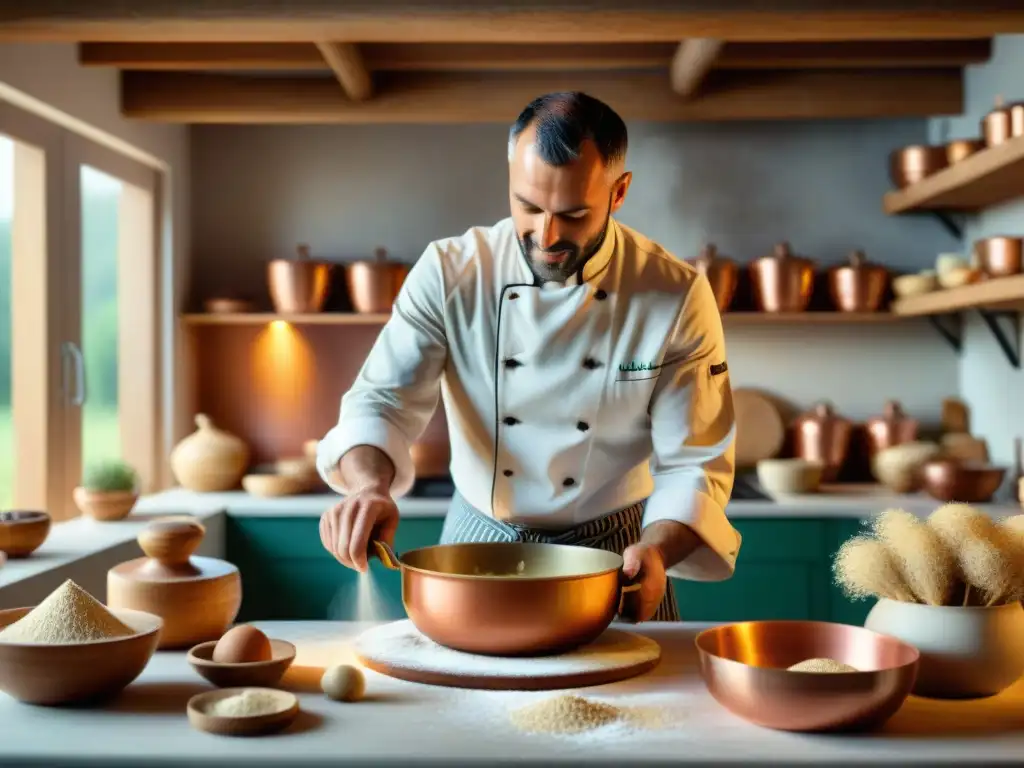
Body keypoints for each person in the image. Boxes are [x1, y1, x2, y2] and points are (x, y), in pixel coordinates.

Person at [317, 91, 739, 622]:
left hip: (617, 554)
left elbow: (695, 463)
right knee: (467, 703)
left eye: (573, 214)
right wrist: (367, 487)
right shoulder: (452, 272)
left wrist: (656, 550)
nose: (547, 236)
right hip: (478, 540)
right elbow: (381, 402)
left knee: (636, 704)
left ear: (619, 192)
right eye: (529, 206)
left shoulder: (673, 294)